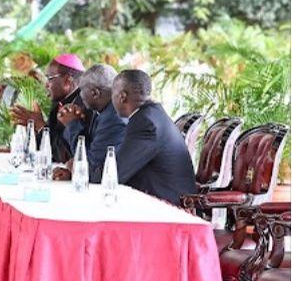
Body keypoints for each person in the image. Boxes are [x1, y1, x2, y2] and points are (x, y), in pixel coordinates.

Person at [111, 69, 196, 205]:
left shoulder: (145, 122)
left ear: (122, 97)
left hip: (168, 209)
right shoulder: (152, 115)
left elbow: (114, 174)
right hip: (160, 200)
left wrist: (79, 170)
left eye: (112, 94)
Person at [53, 64, 127, 183]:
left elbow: (89, 165)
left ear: (95, 93)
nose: (80, 96)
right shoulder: (102, 110)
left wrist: (72, 124)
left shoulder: (113, 118)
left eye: (81, 90)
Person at [11, 54, 89, 163]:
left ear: (67, 81)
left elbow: (66, 155)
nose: (46, 85)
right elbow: (44, 149)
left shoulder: (83, 107)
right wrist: (33, 129)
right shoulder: (58, 104)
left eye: (49, 79)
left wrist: (41, 126)